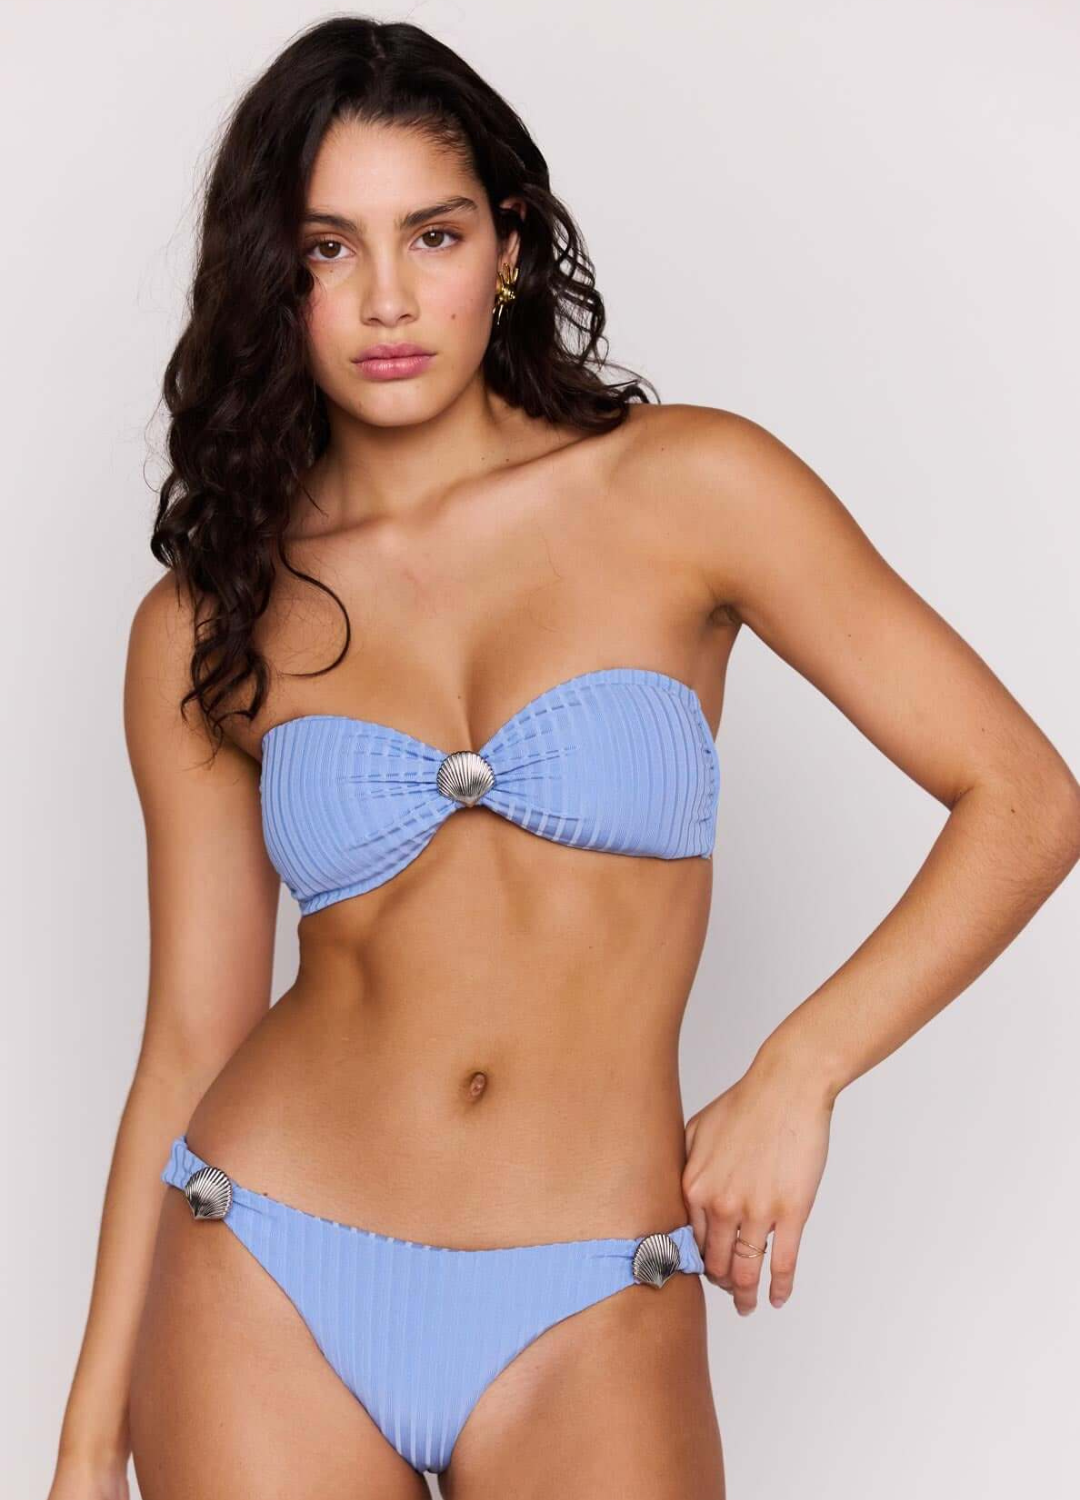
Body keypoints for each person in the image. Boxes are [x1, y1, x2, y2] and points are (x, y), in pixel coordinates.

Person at [48, 16, 1080, 1500]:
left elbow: (1026, 800)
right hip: (262, 1264)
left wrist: (801, 1071)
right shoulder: (209, 617)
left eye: (435, 234)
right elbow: (189, 1038)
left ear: (511, 246)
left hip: (594, 1284)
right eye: (329, 248)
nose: (388, 297)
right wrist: (88, 1447)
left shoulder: (692, 488)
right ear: (273, 278)